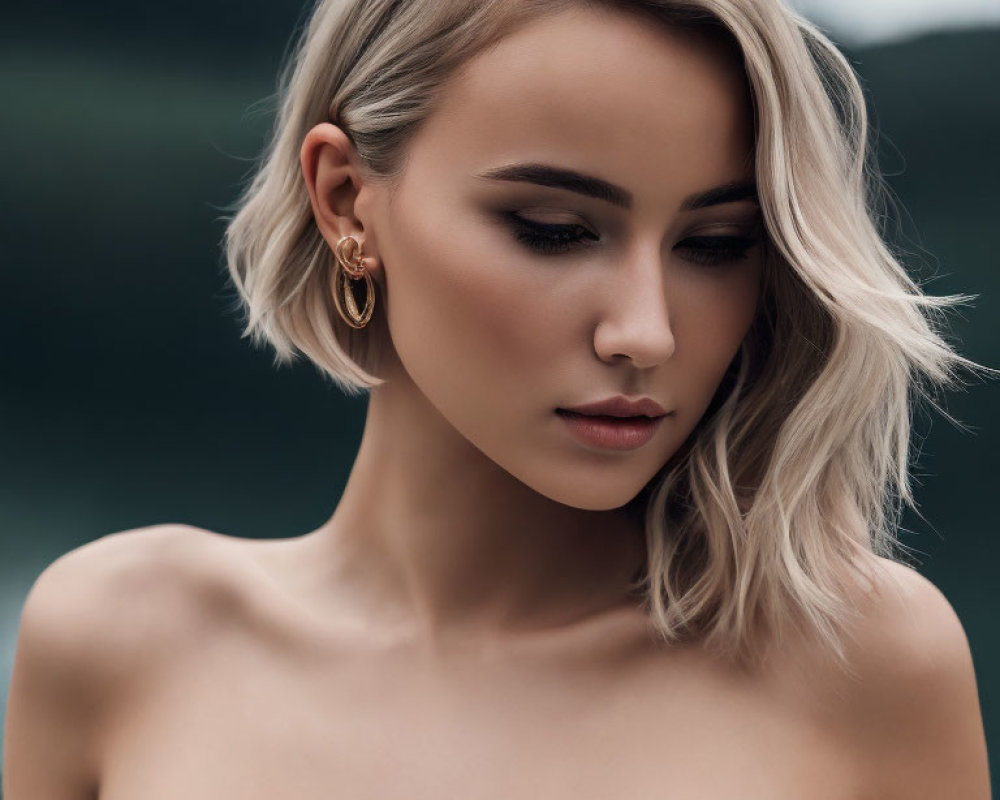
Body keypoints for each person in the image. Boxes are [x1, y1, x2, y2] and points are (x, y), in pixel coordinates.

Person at [3, 0, 991, 797]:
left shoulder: (860, 662)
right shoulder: (120, 637)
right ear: (346, 202)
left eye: (715, 245)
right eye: (555, 229)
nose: (645, 332)